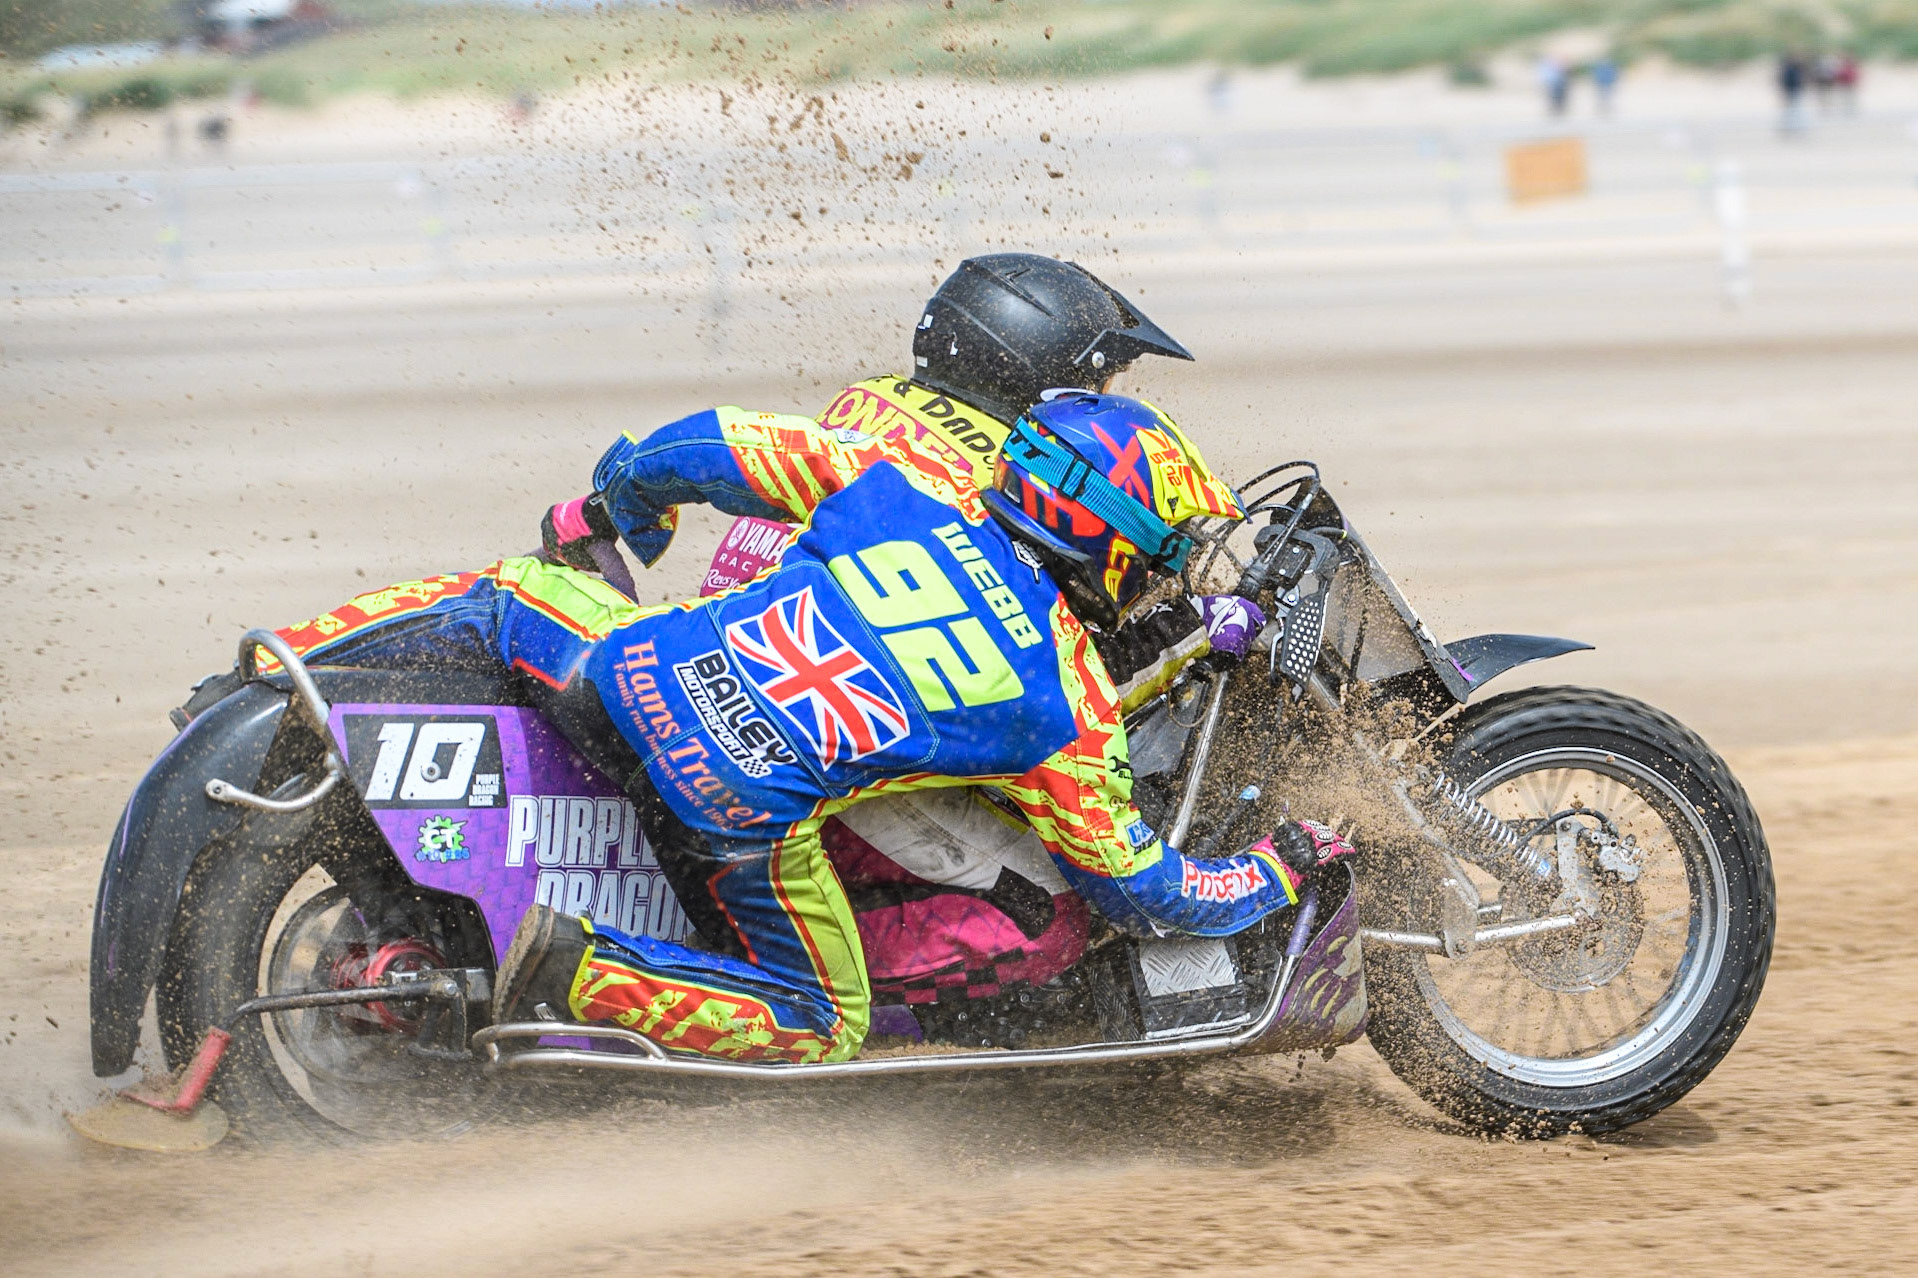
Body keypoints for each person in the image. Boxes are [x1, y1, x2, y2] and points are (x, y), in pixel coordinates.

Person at [260, 254, 1355, 1065]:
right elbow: (1144, 890)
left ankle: (288, 668)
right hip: (731, 804)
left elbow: (712, 446)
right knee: (825, 1019)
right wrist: (1282, 863)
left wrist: (620, 505)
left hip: (627, 677)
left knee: (511, 592)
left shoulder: (901, 475)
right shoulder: (1067, 703)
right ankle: (574, 971)